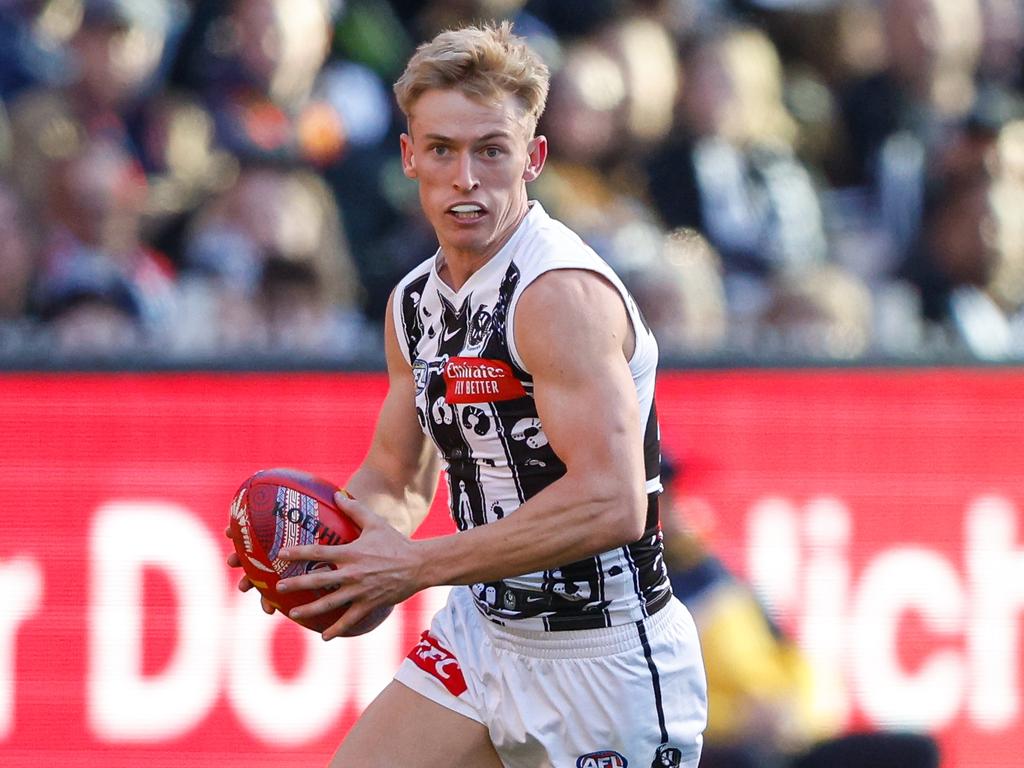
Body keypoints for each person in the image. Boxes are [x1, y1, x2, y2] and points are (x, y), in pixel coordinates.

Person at [226, 20, 707, 768]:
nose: (466, 177)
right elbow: (394, 477)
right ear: (409, 156)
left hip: (603, 657)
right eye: (443, 150)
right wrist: (339, 568)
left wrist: (414, 567)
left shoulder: (559, 295)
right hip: (481, 634)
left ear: (534, 158)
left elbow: (614, 501)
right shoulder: (413, 303)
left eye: (492, 150)